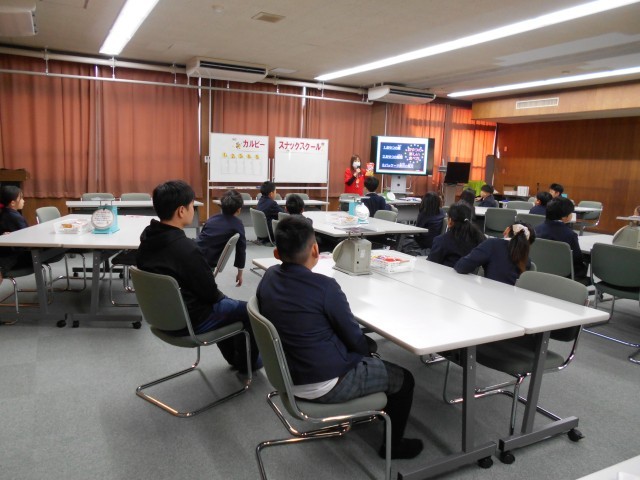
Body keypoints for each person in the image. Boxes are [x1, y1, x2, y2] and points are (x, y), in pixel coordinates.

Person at [256, 216, 423, 459]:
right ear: (315, 250)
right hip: (325, 383)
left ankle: (374, 408)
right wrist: (365, 353)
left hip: (286, 373)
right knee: (404, 379)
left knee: (367, 347)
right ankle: (393, 446)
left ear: (276, 254)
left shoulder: (269, 277)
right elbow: (354, 337)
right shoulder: (325, 287)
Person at [136, 180, 260, 374]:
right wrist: (224, 299)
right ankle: (245, 364)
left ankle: (236, 358)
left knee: (229, 307)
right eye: (192, 205)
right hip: (190, 321)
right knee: (249, 311)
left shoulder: (146, 240)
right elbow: (211, 295)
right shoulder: (187, 250)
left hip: (161, 318)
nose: (193, 209)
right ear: (181, 211)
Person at [454, 222, 536, 285]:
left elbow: (462, 266)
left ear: (507, 230)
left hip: (489, 297)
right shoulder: (526, 260)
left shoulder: (492, 244)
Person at [196, 189, 246, 286]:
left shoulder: (212, 218)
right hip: (207, 261)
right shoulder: (238, 224)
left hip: (194, 251)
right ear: (239, 210)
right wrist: (240, 273)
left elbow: (201, 236)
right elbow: (241, 250)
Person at [534, 197, 588, 280]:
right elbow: (577, 259)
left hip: (539, 269)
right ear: (564, 217)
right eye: (571, 213)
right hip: (564, 275)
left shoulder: (536, 229)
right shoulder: (570, 234)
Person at [0, 186, 32, 282]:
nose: (23, 201)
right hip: (16, 255)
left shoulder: (5, 213)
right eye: (21, 198)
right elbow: (28, 235)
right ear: (13, 203)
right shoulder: (14, 216)